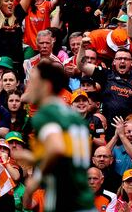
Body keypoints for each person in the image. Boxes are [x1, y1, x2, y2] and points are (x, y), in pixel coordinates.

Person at [19, 62, 95, 212]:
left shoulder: (45, 113)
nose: (28, 87)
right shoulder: (76, 118)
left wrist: (35, 179)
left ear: (45, 86)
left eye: (32, 82)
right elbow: (66, 154)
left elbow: (56, 148)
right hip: (85, 203)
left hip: (64, 203)